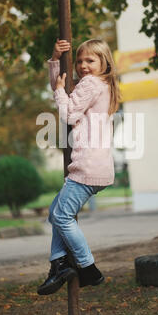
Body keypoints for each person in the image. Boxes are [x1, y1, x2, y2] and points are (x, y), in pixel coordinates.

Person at [37, 38, 121, 296]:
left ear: (104, 62)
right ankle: (59, 264)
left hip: (86, 166)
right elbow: (61, 87)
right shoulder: (102, 84)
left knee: (61, 217)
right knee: (56, 213)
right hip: (98, 167)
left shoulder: (92, 83)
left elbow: (69, 113)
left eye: (90, 61)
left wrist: (61, 91)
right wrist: (55, 61)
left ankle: (87, 268)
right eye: (80, 61)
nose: (83, 66)